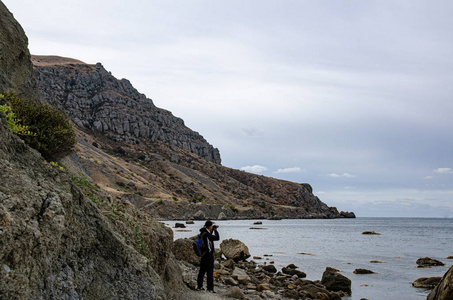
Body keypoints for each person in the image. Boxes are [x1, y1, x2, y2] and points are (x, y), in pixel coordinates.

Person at [196, 220, 220, 293]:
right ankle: (210, 288)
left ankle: (199, 286)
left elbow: (210, 238)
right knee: (209, 272)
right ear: (209, 227)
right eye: (212, 226)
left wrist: (212, 229)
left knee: (202, 271)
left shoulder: (203, 233)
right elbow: (217, 238)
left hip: (204, 255)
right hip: (208, 256)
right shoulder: (206, 234)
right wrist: (215, 230)